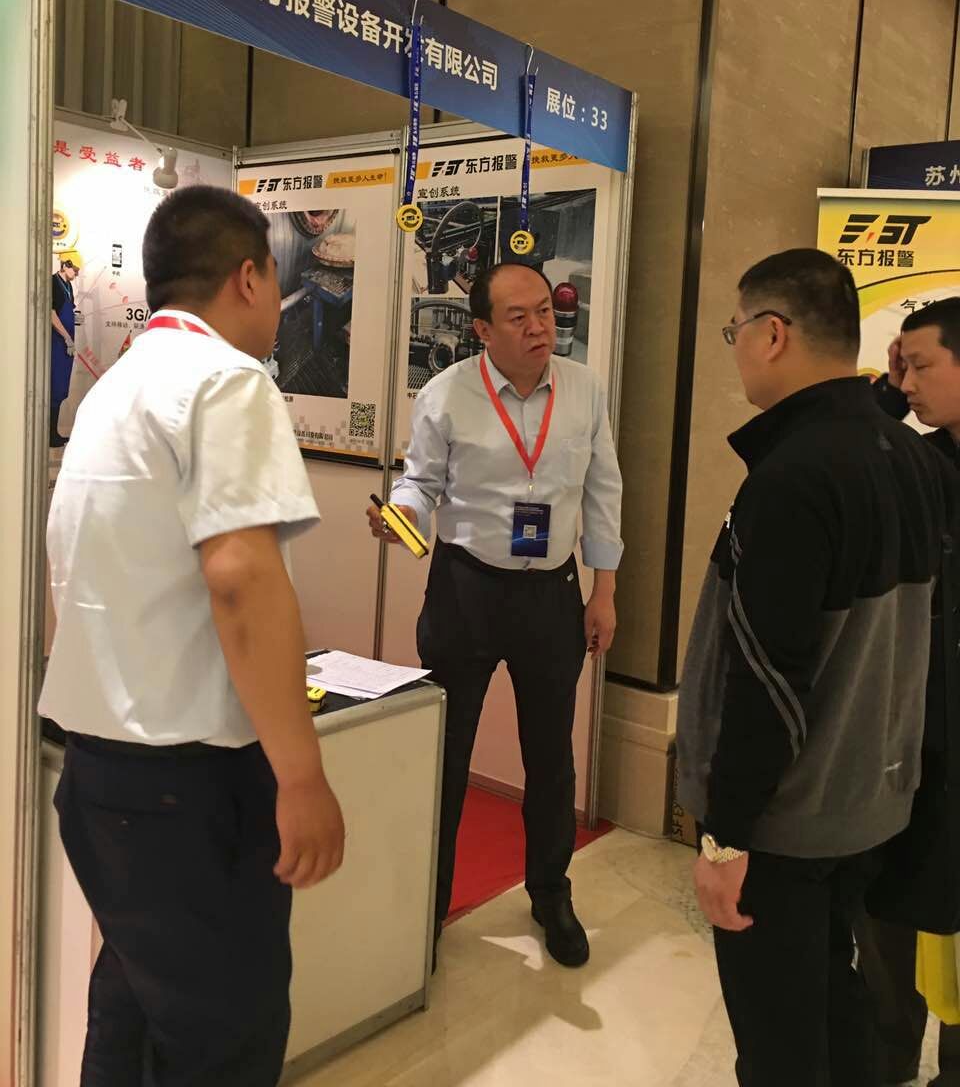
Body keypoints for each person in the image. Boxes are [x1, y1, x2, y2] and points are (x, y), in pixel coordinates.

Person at [39, 186, 345, 1087]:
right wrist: (302, 776)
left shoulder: (116, 388)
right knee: (225, 1042)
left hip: (102, 777)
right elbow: (242, 579)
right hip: (189, 787)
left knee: (132, 1016)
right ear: (249, 278)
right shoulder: (226, 380)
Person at [676, 249, 947, 1087]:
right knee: (837, 1002)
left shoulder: (794, 476)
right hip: (867, 802)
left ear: (773, 334)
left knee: (781, 1042)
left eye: (736, 332)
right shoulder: (905, 455)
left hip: (785, 823)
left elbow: (768, 679)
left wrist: (725, 835)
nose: (737, 350)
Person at [367, 262, 622, 969]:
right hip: (466, 591)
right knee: (447, 754)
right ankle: (429, 907)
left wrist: (603, 590)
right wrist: (401, 516)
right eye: (519, 316)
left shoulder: (585, 389)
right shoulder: (447, 394)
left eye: (544, 310)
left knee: (551, 757)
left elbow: (603, 489)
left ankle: (551, 894)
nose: (540, 326)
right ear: (482, 329)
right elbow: (421, 483)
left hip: (552, 595)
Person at [856, 296, 960, 1087]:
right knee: (886, 914)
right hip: (909, 733)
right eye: (903, 367)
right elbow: (841, 454)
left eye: (920, 365)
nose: (909, 381)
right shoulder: (919, 462)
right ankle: (884, 1061)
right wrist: (888, 397)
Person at [50, 255, 79, 447]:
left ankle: (54, 432)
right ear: (65, 265)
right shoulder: (53, 283)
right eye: (75, 270)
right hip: (57, 343)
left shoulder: (68, 287)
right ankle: (49, 434)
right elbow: (51, 313)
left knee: (61, 389)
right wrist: (67, 338)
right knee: (53, 387)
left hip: (66, 346)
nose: (76, 274)